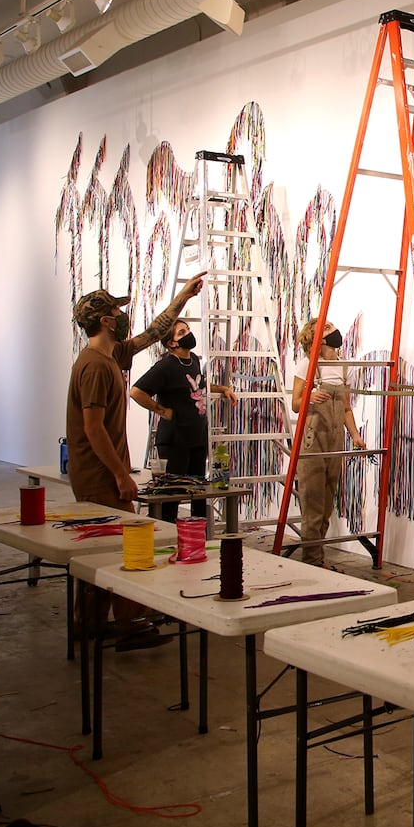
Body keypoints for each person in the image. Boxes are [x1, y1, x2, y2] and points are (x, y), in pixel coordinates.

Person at [66, 274, 204, 648]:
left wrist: (181, 297)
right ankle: (127, 623)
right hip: (98, 475)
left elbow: (153, 333)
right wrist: (119, 475)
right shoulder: (95, 366)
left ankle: (90, 623)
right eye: (117, 310)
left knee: (105, 549)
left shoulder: (111, 356)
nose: (122, 315)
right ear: (107, 321)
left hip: (100, 471)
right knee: (120, 547)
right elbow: (93, 428)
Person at [129, 318, 235, 522]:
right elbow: (136, 392)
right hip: (175, 440)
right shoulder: (165, 366)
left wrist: (223, 389)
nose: (188, 334)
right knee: (172, 495)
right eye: (181, 332)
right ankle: (166, 539)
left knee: (198, 492)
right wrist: (161, 410)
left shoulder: (193, 359)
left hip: (196, 437)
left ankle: (197, 540)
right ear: (171, 343)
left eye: (188, 330)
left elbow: (199, 385)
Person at [291, 317, 365, 566]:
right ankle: (311, 562)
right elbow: (295, 404)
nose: (334, 330)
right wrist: (311, 397)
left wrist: (355, 435)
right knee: (312, 507)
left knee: (326, 507)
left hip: (335, 441)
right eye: (327, 327)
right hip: (313, 440)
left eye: (333, 325)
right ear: (316, 338)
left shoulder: (344, 367)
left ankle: (317, 560)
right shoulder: (309, 365)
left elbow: (345, 408)